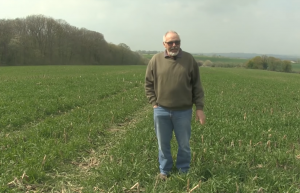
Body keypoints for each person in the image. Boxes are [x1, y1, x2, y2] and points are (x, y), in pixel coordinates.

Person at [145, 31, 205, 179]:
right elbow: (148, 84)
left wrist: (199, 108)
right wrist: (154, 103)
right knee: (163, 144)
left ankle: (183, 170)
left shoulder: (189, 59)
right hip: (161, 110)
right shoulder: (155, 60)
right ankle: (164, 171)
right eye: (170, 42)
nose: (174, 45)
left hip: (183, 111)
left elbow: (197, 85)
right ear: (164, 44)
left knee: (184, 144)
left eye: (177, 42)